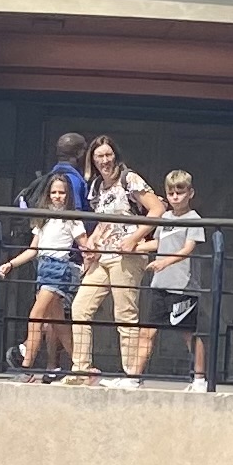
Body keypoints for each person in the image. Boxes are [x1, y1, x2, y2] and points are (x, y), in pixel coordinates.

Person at [77, 140, 153, 387]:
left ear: (115, 156)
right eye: (99, 156)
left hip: (125, 255)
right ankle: (82, 369)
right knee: (80, 308)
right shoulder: (97, 186)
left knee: (125, 314)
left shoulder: (129, 179)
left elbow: (156, 209)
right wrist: (91, 244)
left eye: (108, 155)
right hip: (102, 255)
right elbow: (103, 222)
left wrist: (134, 238)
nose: (104, 161)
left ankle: (131, 375)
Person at [0, 170, 82, 382]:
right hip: (42, 269)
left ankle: (26, 369)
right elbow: (33, 249)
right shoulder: (42, 219)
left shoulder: (73, 219)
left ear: (68, 195)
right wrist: (11, 263)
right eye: (54, 192)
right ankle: (81, 366)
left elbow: (84, 243)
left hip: (58, 269)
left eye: (62, 193)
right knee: (59, 324)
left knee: (35, 316)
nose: (57, 196)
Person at [138, 167, 210, 387]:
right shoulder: (166, 217)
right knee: (147, 332)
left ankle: (199, 379)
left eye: (180, 191)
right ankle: (134, 377)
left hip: (183, 286)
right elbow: (160, 242)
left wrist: (163, 262)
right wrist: (136, 246)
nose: (175, 196)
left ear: (191, 193)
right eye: (171, 193)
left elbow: (187, 249)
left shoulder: (194, 219)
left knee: (189, 334)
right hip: (160, 284)